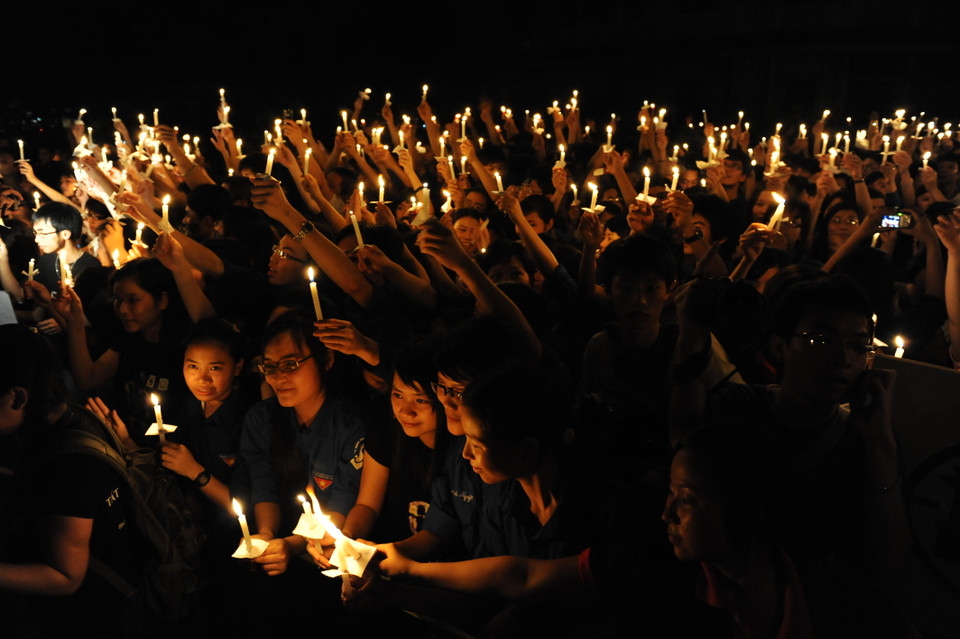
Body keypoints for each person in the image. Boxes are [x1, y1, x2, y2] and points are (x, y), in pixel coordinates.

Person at [0, 324, 148, 636]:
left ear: (16, 398)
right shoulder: (77, 417)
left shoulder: (67, 469)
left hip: (89, 618)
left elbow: (65, 575)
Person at [239, 309, 366, 576]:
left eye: (290, 364)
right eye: (270, 367)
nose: (277, 377)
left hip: (330, 554)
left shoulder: (351, 425)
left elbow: (342, 504)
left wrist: (291, 545)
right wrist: (265, 535)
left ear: (327, 358)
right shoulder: (260, 419)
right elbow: (263, 487)